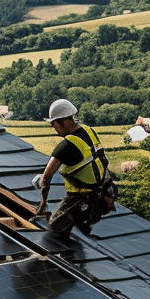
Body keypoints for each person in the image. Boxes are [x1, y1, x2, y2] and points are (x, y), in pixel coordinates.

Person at [34, 99, 117, 236]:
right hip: (104, 195)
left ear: (63, 121)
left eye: (54, 125)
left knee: (53, 233)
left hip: (83, 200)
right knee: (80, 232)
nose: (55, 130)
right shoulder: (89, 131)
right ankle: (82, 231)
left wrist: (43, 203)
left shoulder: (67, 145)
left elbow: (46, 178)